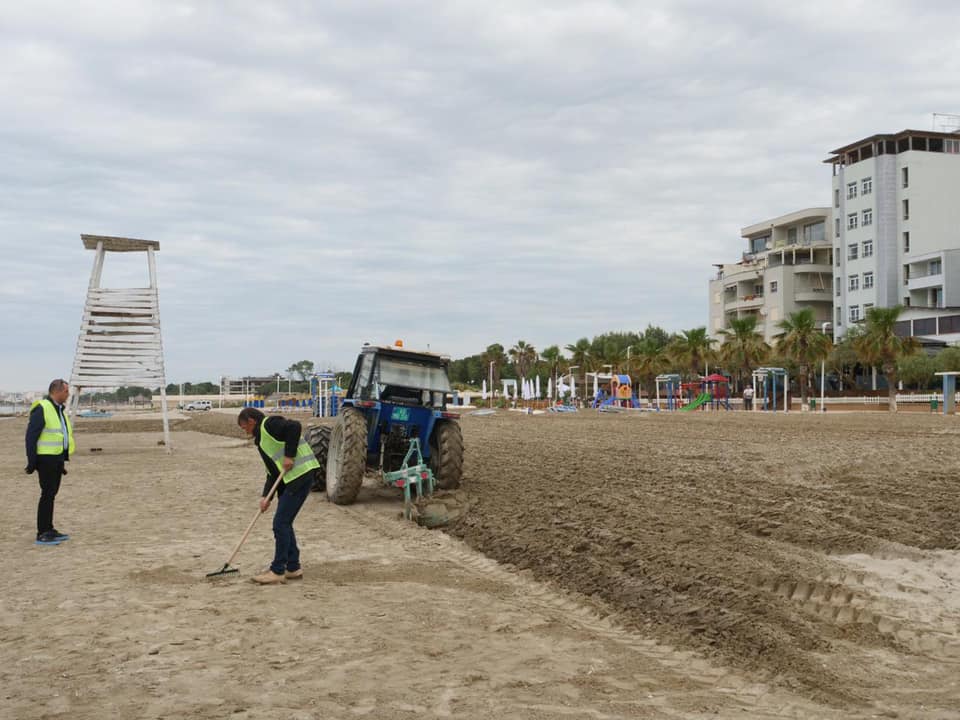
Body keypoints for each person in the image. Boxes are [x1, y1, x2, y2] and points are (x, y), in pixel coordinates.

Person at [237, 407, 320, 585]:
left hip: (301, 475)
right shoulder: (261, 441)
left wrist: (290, 456)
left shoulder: (269, 424)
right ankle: (293, 567)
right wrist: (266, 497)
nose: (244, 431)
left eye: (244, 427)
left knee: (280, 523)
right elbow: (272, 473)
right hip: (290, 479)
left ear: (251, 421)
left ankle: (278, 570)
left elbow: (295, 426)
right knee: (285, 522)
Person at [25, 379, 75, 546]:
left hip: (56, 459)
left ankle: (49, 529)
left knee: (51, 494)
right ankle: (42, 533)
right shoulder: (43, 408)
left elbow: (61, 435)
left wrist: (62, 461)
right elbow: (31, 436)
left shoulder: (58, 409)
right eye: (66, 392)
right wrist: (32, 462)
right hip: (45, 459)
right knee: (47, 495)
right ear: (57, 391)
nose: (68, 395)